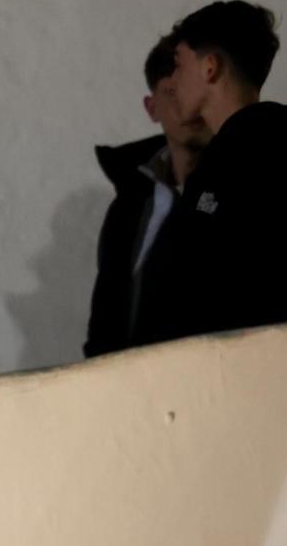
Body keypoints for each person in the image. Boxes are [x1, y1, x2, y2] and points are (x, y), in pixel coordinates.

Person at [131, 1, 287, 345]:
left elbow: (248, 292)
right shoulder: (227, 159)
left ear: (210, 68)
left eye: (179, 66)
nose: (173, 83)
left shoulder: (261, 159)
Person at [83, 33, 210, 358]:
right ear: (151, 107)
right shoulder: (130, 204)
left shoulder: (252, 186)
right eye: (171, 92)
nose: (187, 106)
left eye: (196, 91)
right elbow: (107, 316)